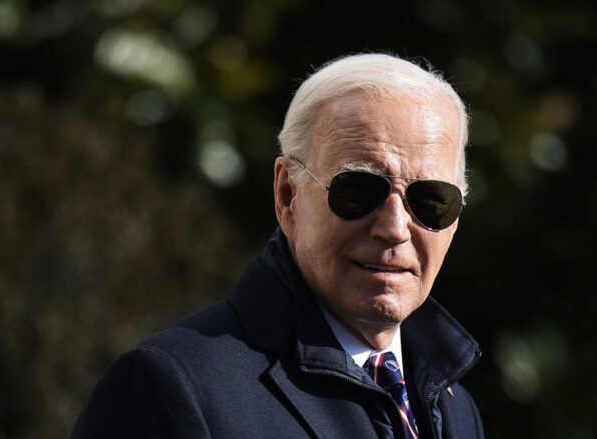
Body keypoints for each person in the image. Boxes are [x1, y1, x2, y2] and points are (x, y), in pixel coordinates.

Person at [71, 53, 483, 439]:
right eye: (357, 190)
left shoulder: (456, 410)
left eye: (430, 200)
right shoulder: (173, 388)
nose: (394, 228)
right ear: (288, 195)